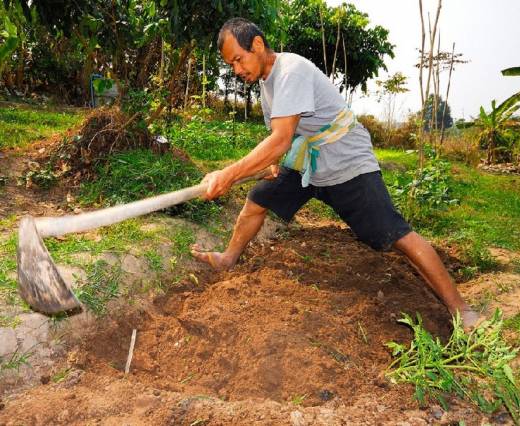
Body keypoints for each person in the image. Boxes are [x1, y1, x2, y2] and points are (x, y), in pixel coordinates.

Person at [191, 17, 480, 329]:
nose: (236, 70)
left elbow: (280, 139)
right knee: (259, 198)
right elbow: (280, 142)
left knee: (393, 234)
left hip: (346, 160)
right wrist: (268, 166)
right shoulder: (266, 85)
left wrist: (229, 174)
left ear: (257, 45)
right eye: (231, 64)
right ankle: (228, 258)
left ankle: (462, 311)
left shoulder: (291, 71)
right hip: (309, 162)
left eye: (238, 59)